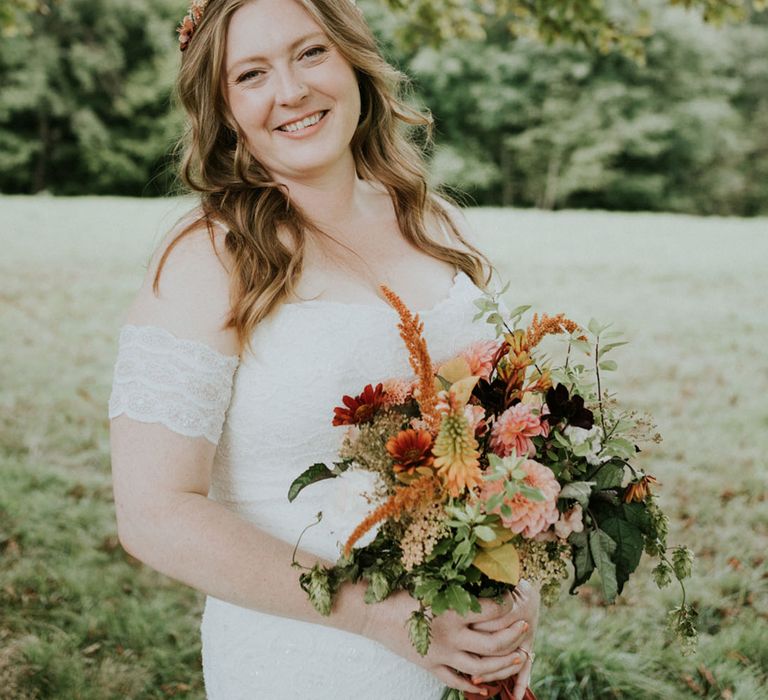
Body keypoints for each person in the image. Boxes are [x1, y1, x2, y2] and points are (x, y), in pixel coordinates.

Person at [108, 0, 540, 698]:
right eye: (251, 74)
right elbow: (154, 512)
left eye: (310, 53)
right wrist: (381, 616)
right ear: (224, 108)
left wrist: (515, 595)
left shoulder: (434, 221)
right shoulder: (209, 259)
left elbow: (508, 439)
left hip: (478, 656)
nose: (291, 91)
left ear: (352, 59)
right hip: (305, 661)